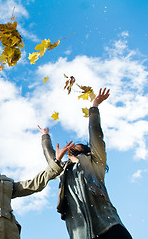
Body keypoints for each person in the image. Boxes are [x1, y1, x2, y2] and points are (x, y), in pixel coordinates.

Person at [38, 88, 132, 239]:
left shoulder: (96, 162)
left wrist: (94, 107)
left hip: (109, 225)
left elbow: (95, 133)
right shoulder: (63, 170)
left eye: (78, 144)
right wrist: (45, 136)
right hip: (81, 233)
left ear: (87, 150)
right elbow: (50, 159)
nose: (74, 144)